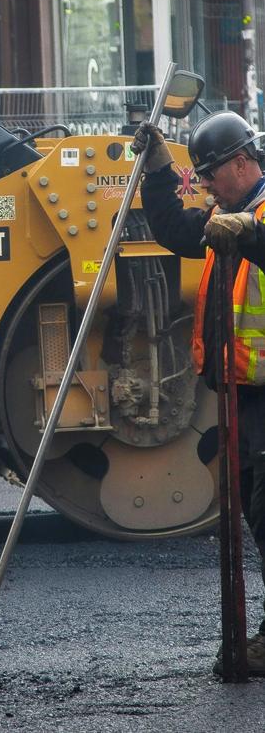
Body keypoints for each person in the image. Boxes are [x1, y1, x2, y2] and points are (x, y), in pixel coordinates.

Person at [134, 112, 265, 675]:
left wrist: (252, 237)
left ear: (242, 162)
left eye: (211, 173)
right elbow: (171, 228)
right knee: (250, 508)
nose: (206, 184)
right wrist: (159, 171)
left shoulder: (253, 218)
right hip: (241, 392)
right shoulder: (224, 216)